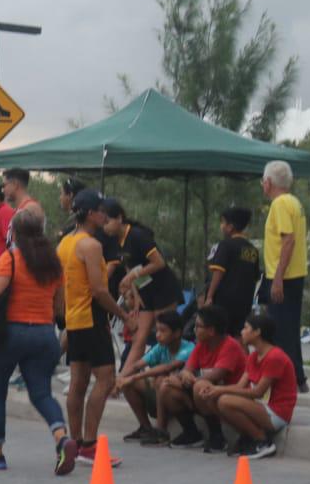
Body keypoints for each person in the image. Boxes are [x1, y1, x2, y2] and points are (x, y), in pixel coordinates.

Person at [0, 209, 74, 473]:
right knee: (42, 393)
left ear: (15, 233)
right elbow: (59, 307)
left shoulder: (10, 258)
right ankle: (61, 438)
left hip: (10, 334)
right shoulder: (54, 264)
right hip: (44, 335)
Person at [57, 190, 130, 465]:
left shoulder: (65, 243)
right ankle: (89, 444)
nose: (105, 215)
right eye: (101, 210)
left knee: (78, 381)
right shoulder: (91, 245)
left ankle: (75, 442)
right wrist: (124, 315)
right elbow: (100, 290)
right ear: (90, 214)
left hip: (74, 320)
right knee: (106, 379)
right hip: (92, 317)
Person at [103, 199, 183, 374]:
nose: (105, 227)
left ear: (119, 218)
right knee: (139, 337)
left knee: (167, 333)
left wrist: (132, 276)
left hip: (164, 289)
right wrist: (135, 293)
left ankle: (175, 371)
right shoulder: (116, 241)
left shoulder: (138, 236)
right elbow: (129, 266)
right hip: (145, 291)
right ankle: (123, 377)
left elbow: (159, 262)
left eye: (107, 221)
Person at [156, 305, 247, 452]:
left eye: (198, 326)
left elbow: (214, 376)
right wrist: (183, 377)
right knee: (166, 387)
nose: (194, 330)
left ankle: (217, 436)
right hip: (209, 395)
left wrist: (183, 380)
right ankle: (191, 433)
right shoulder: (201, 345)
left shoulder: (230, 346)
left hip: (229, 395)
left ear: (211, 331)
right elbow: (186, 371)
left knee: (200, 387)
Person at [213, 312, 297, 460]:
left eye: (246, 328)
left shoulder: (274, 357)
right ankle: (249, 438)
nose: (241, 332)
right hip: (260, 407)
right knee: (219, 401)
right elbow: (240, 386)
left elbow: (258, 392)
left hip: (277, 413)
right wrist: (213, 390)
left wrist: (219, 389)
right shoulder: (253, 356)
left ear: (257, 332)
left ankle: (262, 442)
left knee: (224, 400)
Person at [259, 161, 309, 393]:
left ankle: (284, 381)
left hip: (283, 276)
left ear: (268, 183)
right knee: (288, 328)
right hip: (295, 274)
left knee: (278, 330)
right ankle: (298, 377)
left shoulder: (279, 204)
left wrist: (277, 278)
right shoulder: (295, 203)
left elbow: (288, 240)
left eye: (263, 181)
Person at [115, 311, 194, 446]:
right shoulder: (160, 347)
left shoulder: (189, 348)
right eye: (157, 330)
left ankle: (161, 431)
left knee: (159, 380)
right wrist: (119, 380)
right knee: (129, 384)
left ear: (177, 333)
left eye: (163, 331)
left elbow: (166, 368)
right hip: (161, 394)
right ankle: (146, 428)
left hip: (180, 398)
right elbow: (136, 365)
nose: (158, 335)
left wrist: (133, 378)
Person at [202, 207, 261, 338]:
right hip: (244, 301)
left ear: (230, 227)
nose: (221, 226)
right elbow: (256, 277)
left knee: (220, 335)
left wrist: (210, 296)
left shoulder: (225, 245)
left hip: (224, 301)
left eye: (223, 222)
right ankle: (244, 359)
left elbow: (218, 272)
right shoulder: (253, 250)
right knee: (239, 335)